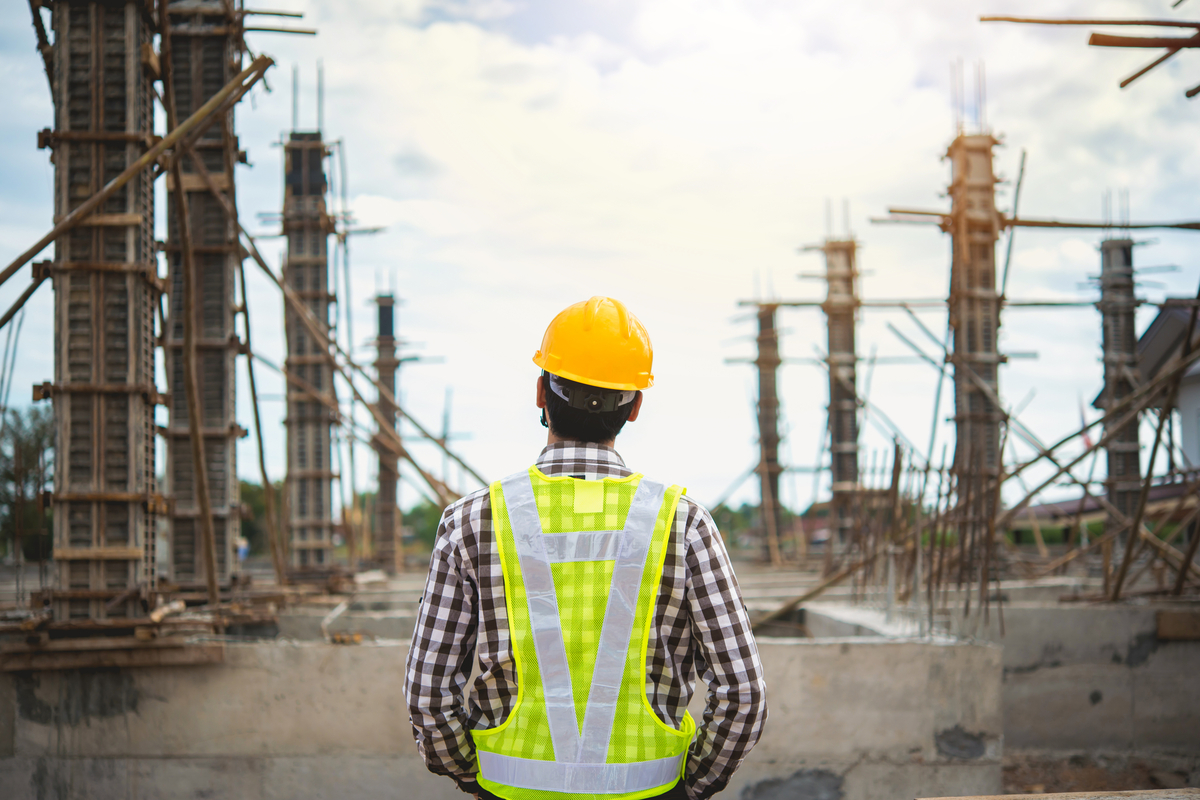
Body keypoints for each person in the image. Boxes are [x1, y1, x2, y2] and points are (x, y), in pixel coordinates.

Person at [405, 296, 766, 800]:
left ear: (540, 393)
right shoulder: (684, 525)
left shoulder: (471, 521)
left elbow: (427, 695)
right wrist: (691, 785)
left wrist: (473, 775)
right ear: (635, 407)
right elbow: (743, 694)